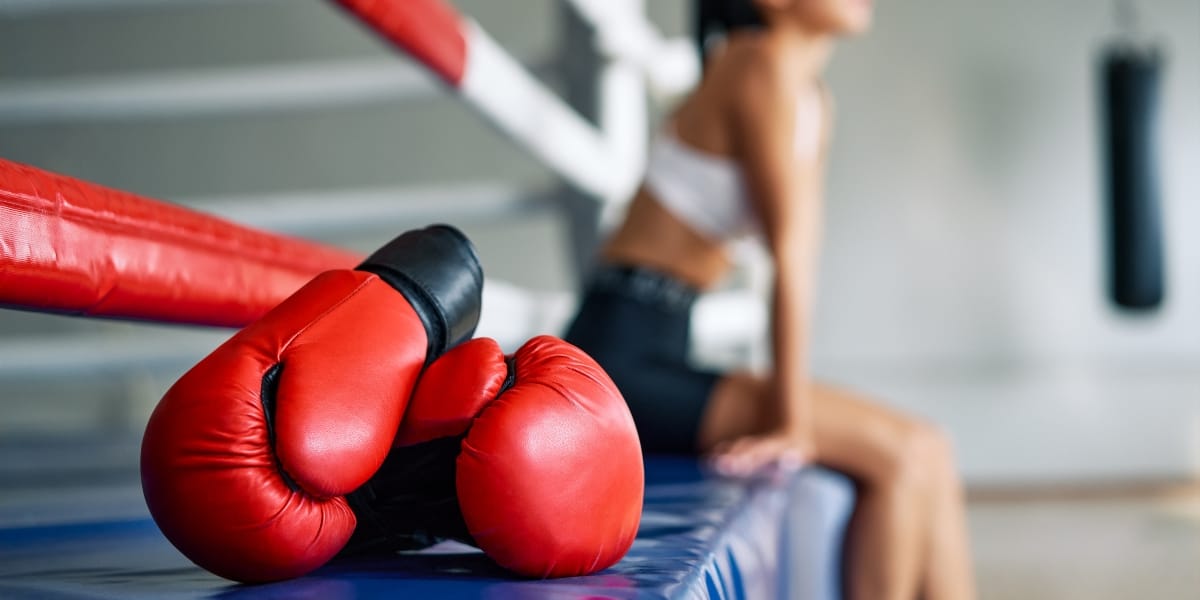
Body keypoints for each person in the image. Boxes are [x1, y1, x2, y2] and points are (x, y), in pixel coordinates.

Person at [562, 0, 977, 598]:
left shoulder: (811, 97)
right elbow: (792, 258)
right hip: (616, 359)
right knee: (905, 455)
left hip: (662, 341)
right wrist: (791, 424)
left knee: (930, 449)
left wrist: (793, 419)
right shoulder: (757, 65)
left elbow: (800, 251)